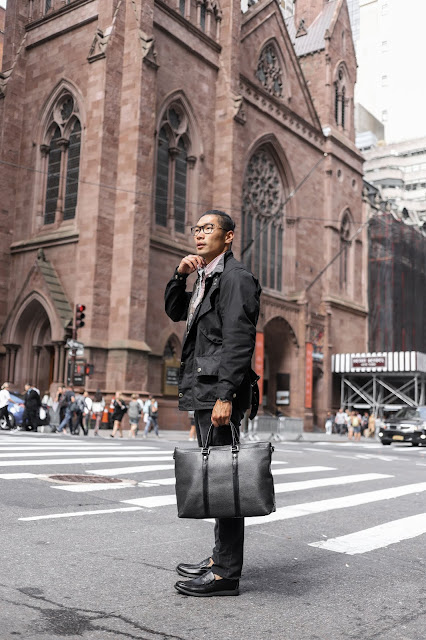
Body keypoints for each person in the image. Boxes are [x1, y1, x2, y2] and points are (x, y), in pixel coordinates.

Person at [165, 209, 261, 597]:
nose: (200, 234)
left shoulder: (235, 278)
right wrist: (178, 276)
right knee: (218, 477)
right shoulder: (207, 275)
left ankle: (225, 573)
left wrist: (225, 395)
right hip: (206, 388)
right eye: (197, 229)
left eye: (209, 229)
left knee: (224, 481)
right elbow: (176, 312)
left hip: (218, 391)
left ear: (229, 237)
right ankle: (220, 557)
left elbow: (239, 341)